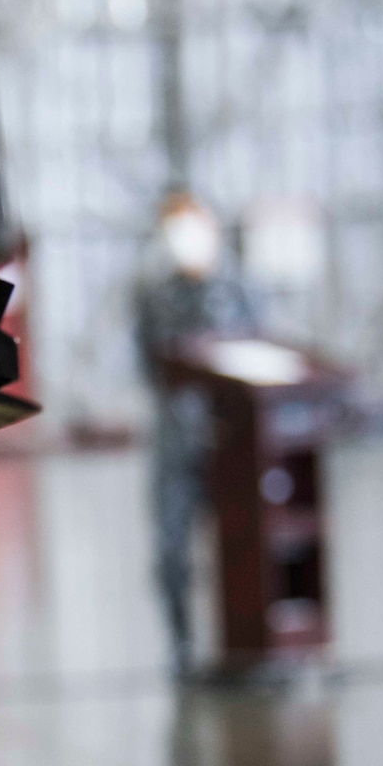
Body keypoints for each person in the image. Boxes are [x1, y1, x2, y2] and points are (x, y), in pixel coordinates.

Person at [134, 193, 260, 673]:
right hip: (175, 441)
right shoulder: (153, 293)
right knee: (171, 550)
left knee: (242, 544)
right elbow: (149, 359)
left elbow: (257, 348)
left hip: (231, 440)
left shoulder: (238, 287)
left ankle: (242, 642)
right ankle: (181, 644)